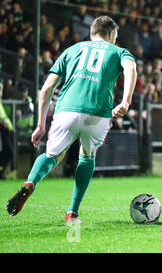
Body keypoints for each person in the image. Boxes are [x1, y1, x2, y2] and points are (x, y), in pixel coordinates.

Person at [6, 16, 137, 223]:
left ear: (93, 32)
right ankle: (72, 212)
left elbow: (47, 88)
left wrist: (40, 124)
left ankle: (30, 182)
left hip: (66, 109)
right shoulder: (118, 51)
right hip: (98, 111)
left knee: (52, 155)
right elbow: (130, 68)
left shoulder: (72, 50)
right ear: (111, 34)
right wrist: (126, 101)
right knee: (87, 156)